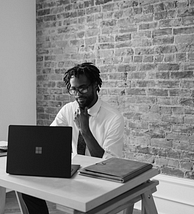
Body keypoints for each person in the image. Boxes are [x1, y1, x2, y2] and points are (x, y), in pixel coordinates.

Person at [21, 62, 124, 213]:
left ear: (95, 85)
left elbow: (108, 163)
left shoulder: (113, 117)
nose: (77, 94)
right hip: (73, 170)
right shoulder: (68, 110)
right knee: (28, 188)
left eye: (82, 88)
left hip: (99, 177)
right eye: (73, 89)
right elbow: (49, 139)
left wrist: (85, 130)